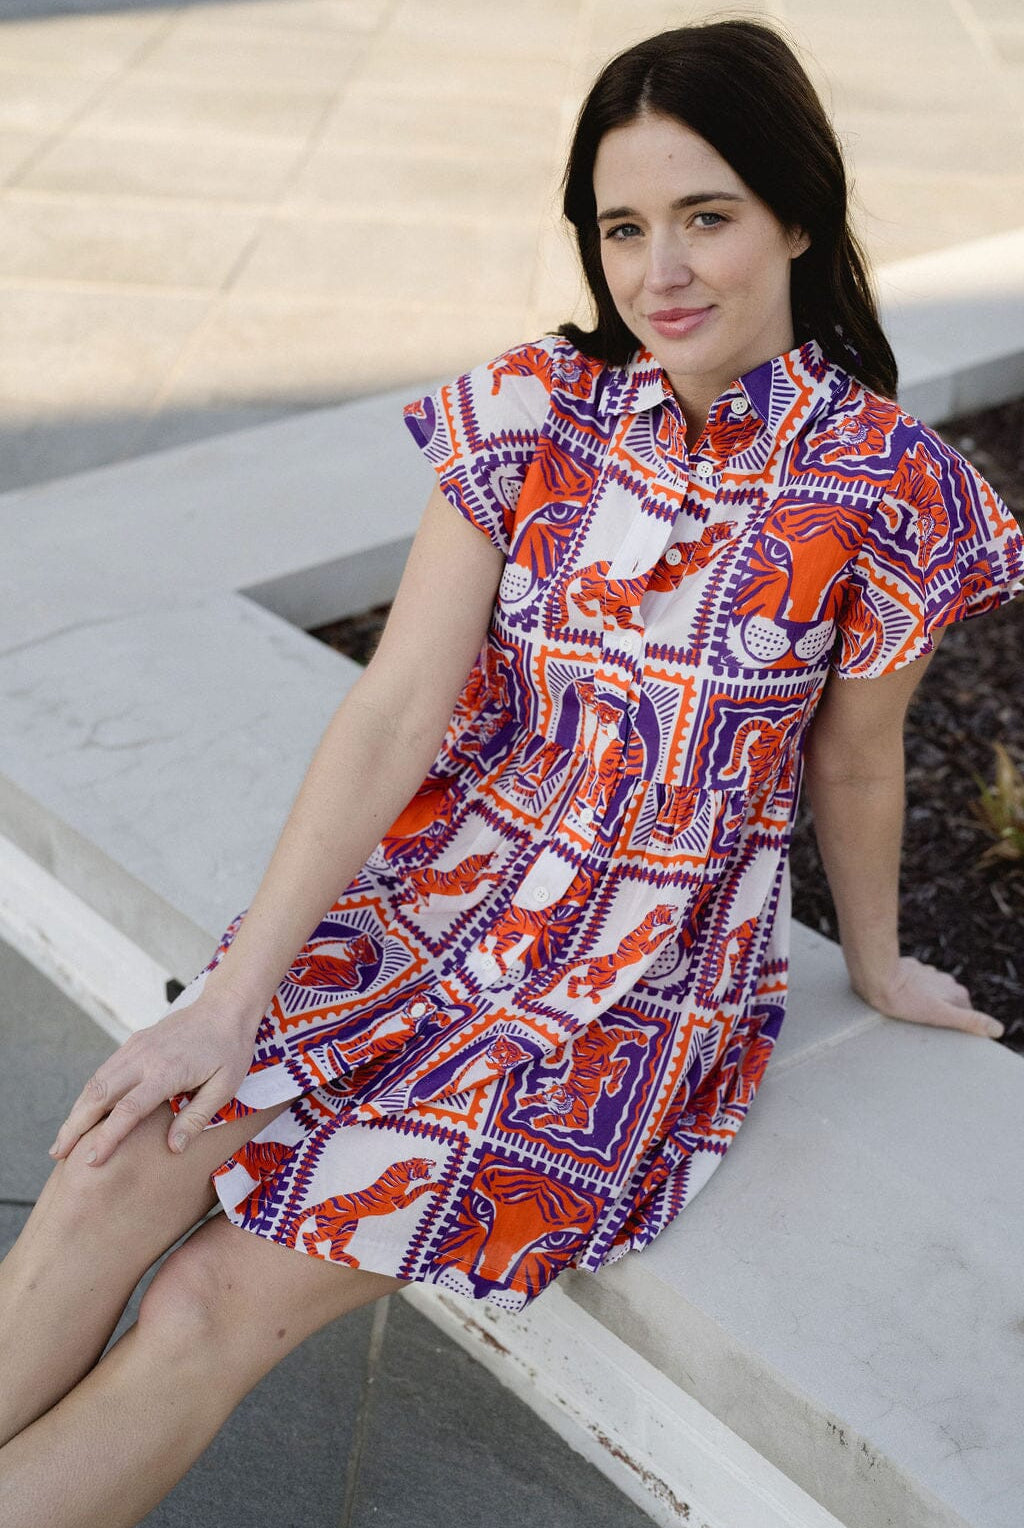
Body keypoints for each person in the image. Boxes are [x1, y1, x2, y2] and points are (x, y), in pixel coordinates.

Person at [1, 17, 1020, 1527]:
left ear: (799, 215)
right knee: (108, 1170)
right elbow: (394, 710)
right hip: (430, 891)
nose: (658, 271)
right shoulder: (535, 410)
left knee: (209, 1308)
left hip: (624, 990)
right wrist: (226, 1001)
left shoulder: (893, 491)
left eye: (707, 217)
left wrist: (872, 965)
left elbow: (857, 766)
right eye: (623, 226)